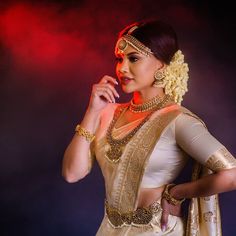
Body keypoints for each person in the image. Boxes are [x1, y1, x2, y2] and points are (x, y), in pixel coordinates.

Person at [62, 20, 236, 235]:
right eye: (119, 59)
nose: (122, 68)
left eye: (133, 58)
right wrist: (92, 111)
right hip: (108, 229)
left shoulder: (178, 120)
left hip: (157, 230)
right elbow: (72, 173)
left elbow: (232, 174)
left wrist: (177, 192)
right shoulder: (107, 112)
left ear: (161, 66)